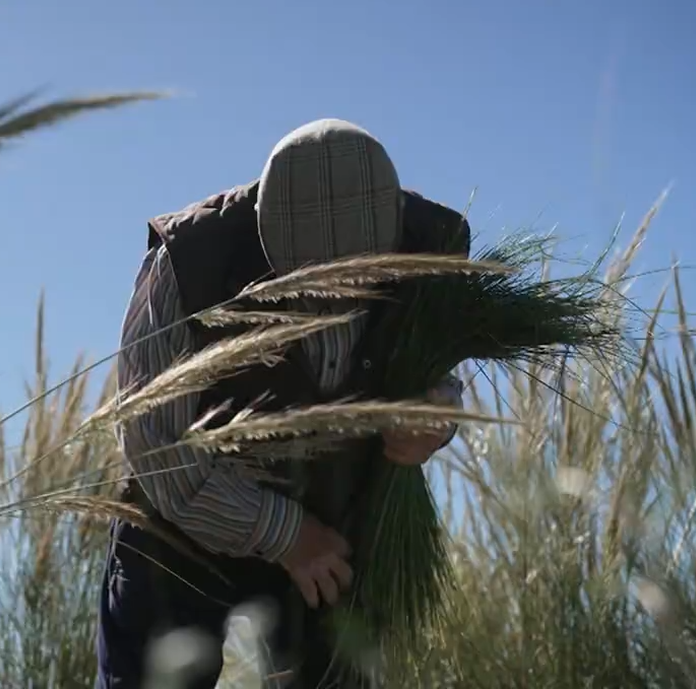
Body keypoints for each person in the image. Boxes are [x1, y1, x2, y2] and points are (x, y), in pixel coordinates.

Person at [95, 119, 467, 688]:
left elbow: (440, 377)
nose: (332, 295)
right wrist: (286, 535)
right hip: (179, 534)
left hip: (333, 543)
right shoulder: (189, 259)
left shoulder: (433, 248)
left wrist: (435, 418)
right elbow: (156, 444)